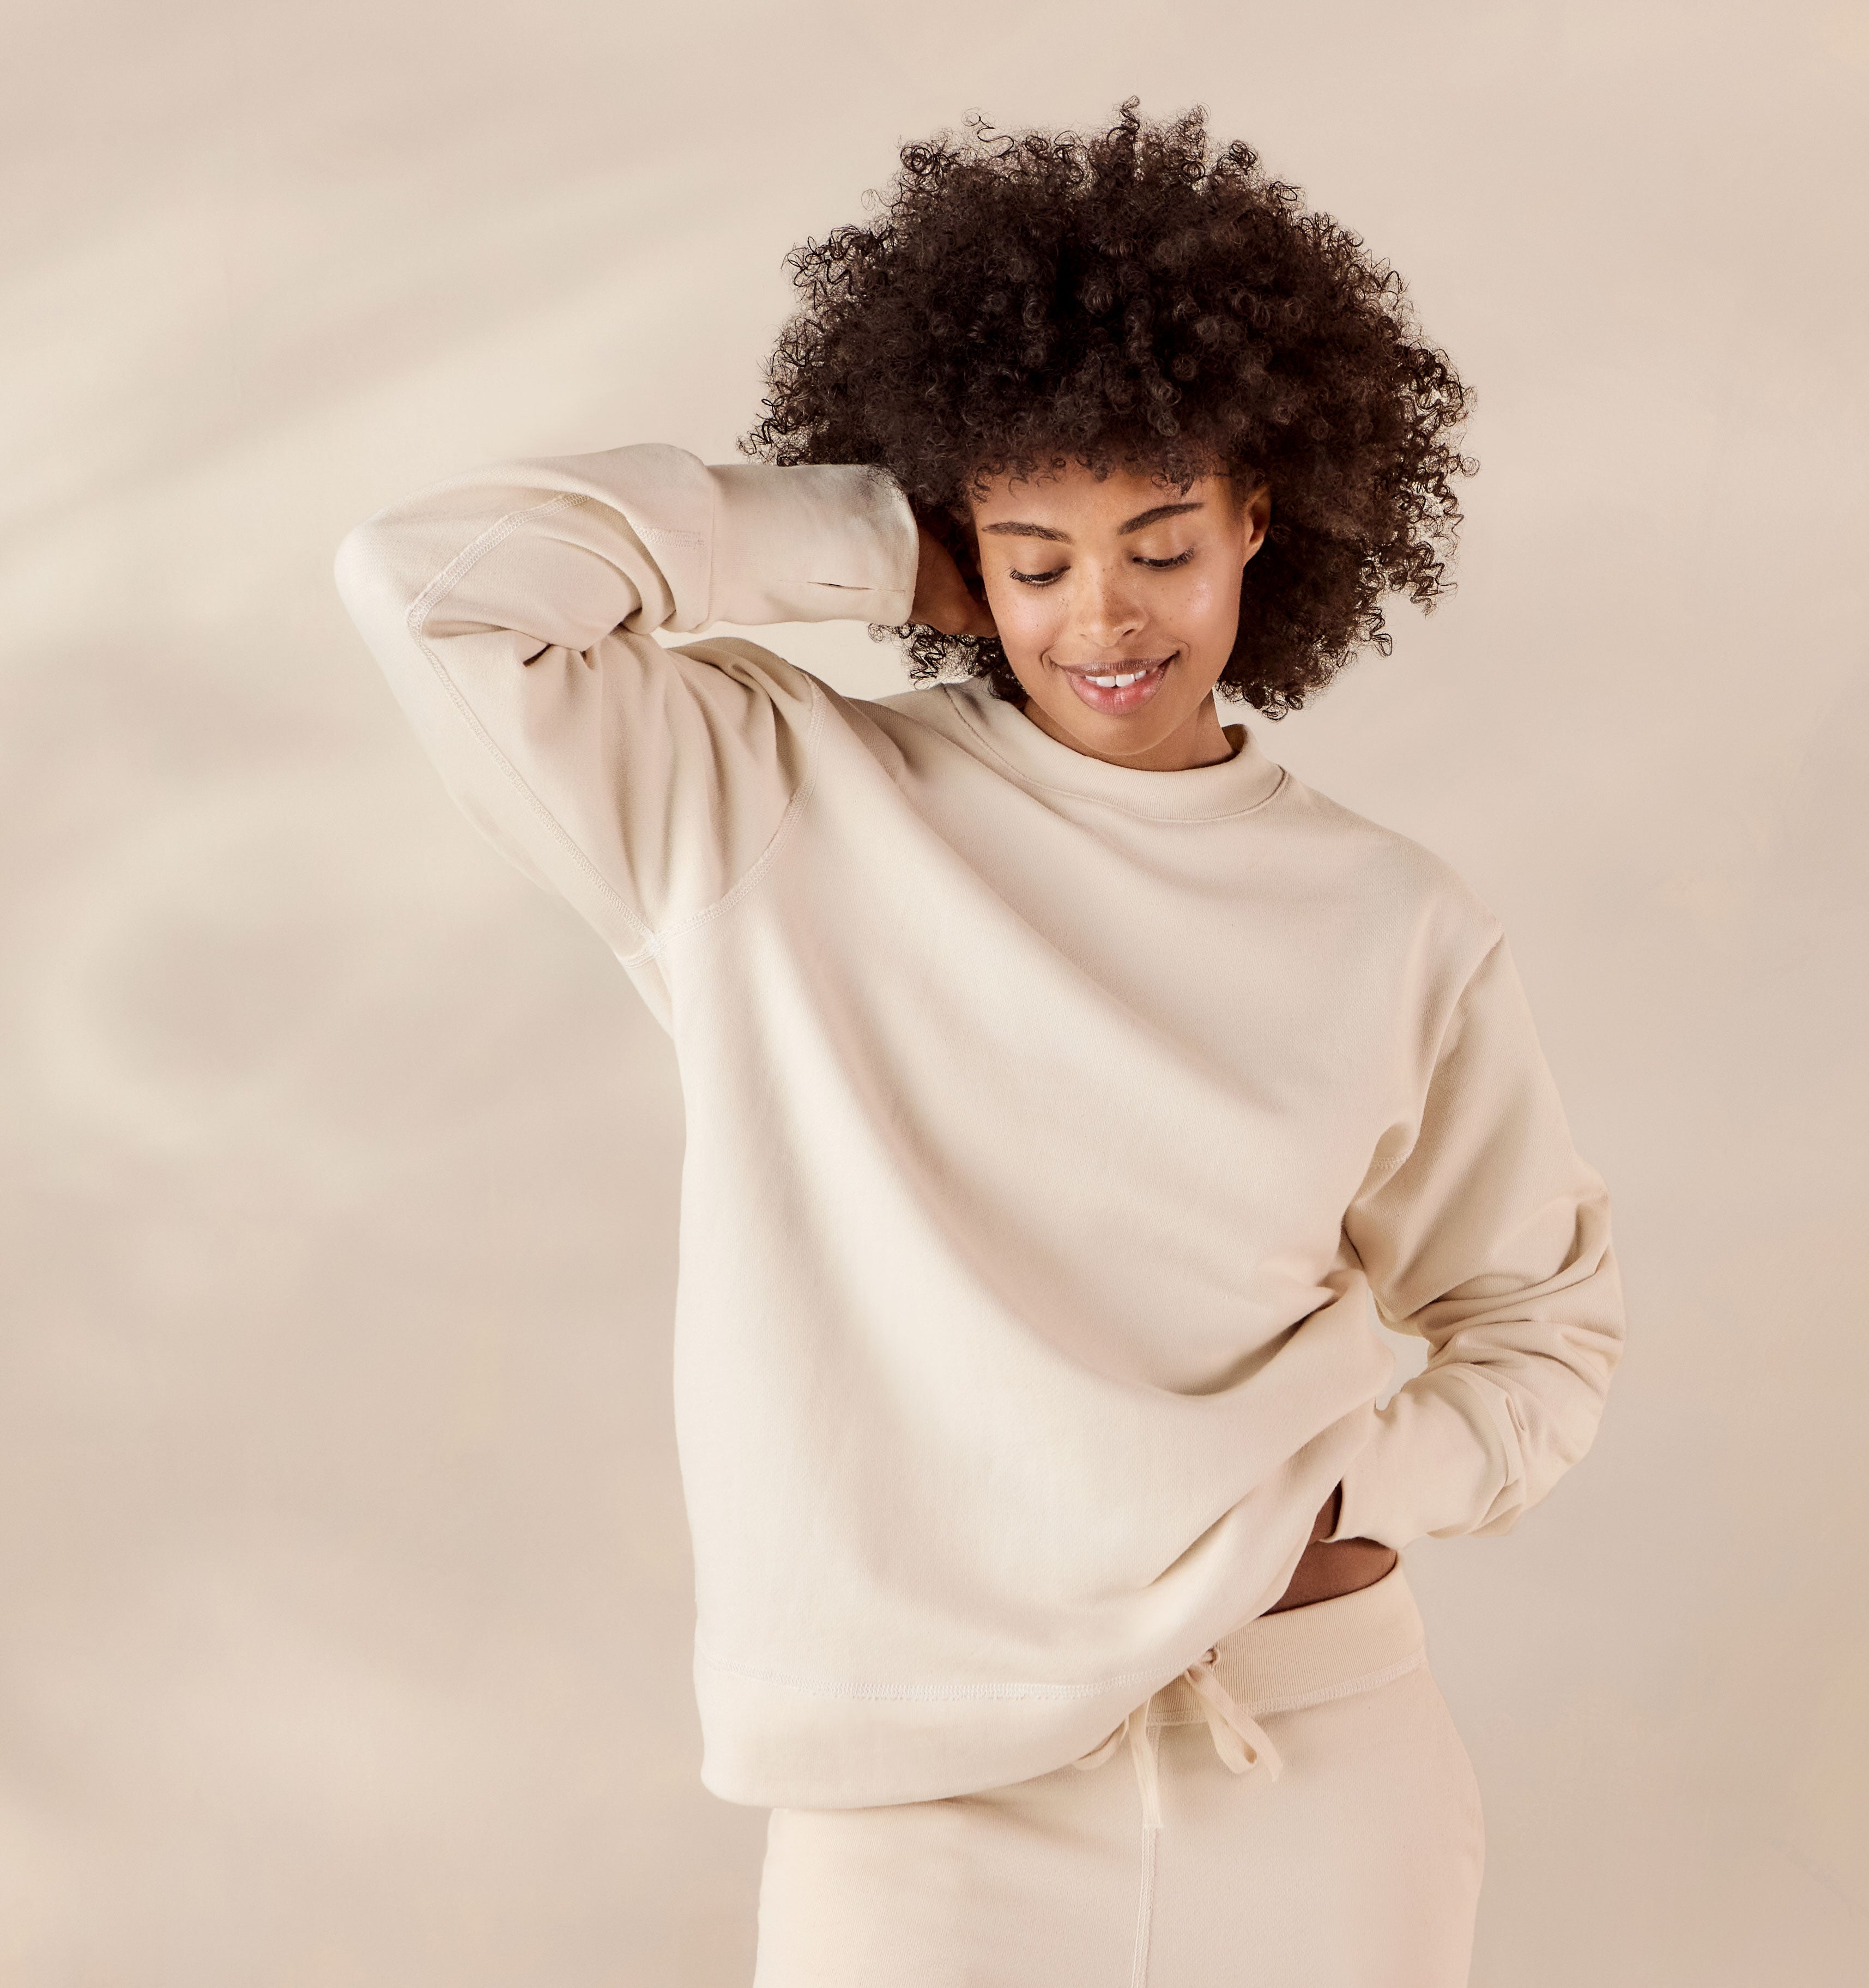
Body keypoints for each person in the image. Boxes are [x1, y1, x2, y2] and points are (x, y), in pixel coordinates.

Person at [332, 100, 1624, 1988]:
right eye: (1036, 557)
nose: (1105, 616)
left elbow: (1543, 1327)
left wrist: (1355, 1492)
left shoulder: (1389, 921)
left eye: (1163, 545)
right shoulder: (772, 805)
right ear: (963, 552)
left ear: (1262, 517)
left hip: (1312, 1752)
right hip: (917, 1804)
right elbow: (431, 584)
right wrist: (874, 537)